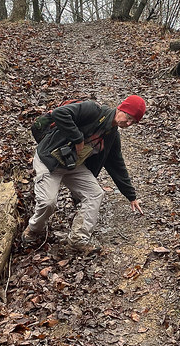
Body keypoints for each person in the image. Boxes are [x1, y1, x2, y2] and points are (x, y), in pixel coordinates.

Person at [22, 95, 146, 249]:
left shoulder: (112, 135)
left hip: (72, 165)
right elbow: (60, 113)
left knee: (95, 194)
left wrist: (131, 195)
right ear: (121, 108)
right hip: (49, 160)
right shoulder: (93, 110)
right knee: (48, 202)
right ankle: (34, 229)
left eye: (132, 122)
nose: (127, 123)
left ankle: (78, 239)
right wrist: (77, 138)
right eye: (128, 117)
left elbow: (117, 164)